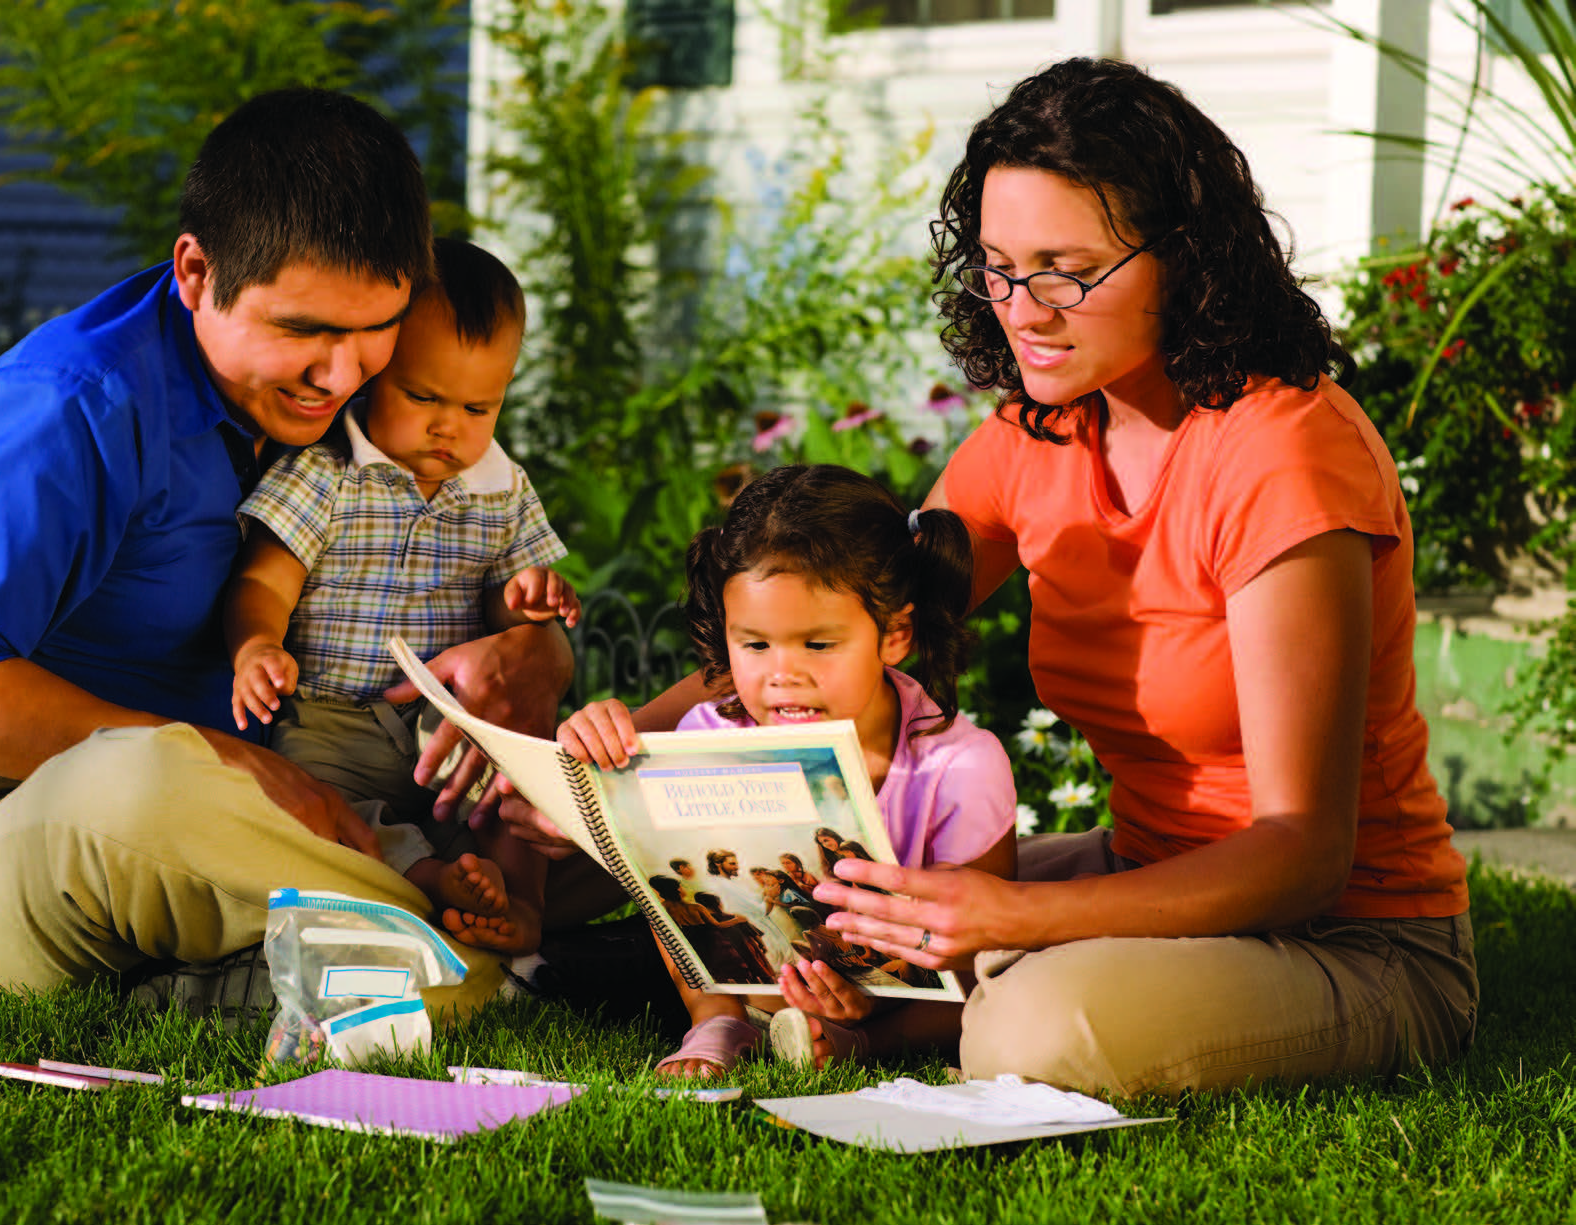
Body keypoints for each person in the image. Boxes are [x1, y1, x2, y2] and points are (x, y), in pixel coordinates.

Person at [806, 57, 1477, 1095]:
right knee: (848, 901)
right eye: (994, 266)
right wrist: (621, 739)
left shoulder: (1280, 455)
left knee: (1026, 1030)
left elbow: (1303, 851)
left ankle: (938, 1000)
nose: (1019, 309)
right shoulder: (1039, 429)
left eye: (1064, 270)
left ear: (1181, 260)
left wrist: (1016, 916)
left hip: (1356, 935)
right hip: (1148, 873)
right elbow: (854, 612)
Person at [0, 89, 572, 1019]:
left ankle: (323, 975)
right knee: (147, 777)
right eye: (303, 332)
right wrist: (220, 759)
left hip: (290, 819)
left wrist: (536, 653)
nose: (341, 375)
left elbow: (488, 571)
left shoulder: (368, 403)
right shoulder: (74, 406)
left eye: (376, 329)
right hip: (25, 834)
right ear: (197, 272)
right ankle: (465, 960)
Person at [557, 464, 1018, 1076]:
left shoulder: (958, 766)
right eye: (755, 645)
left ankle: (857, 1045)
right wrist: (592, 746)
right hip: (751, 971)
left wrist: (868, 1006)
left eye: (818, 645)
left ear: (895, 635)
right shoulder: (710, 736)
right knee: (681, 890)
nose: (782, 674)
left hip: (909, 995)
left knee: (991, 989)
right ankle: (717, 1021)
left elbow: (975, 958)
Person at [224, 237, 574, 957]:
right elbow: (264, 577)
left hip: (450, 725)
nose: (450, 427)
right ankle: (429, 878)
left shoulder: (501, 490)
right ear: (375, 372)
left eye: (480, 407)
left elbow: (511, 615)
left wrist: (527, 604)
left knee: (524, 778)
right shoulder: (326, 474)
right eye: (424, 397)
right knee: (323, 809)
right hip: (331, 717)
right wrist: (256, 644)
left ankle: (519, 903)